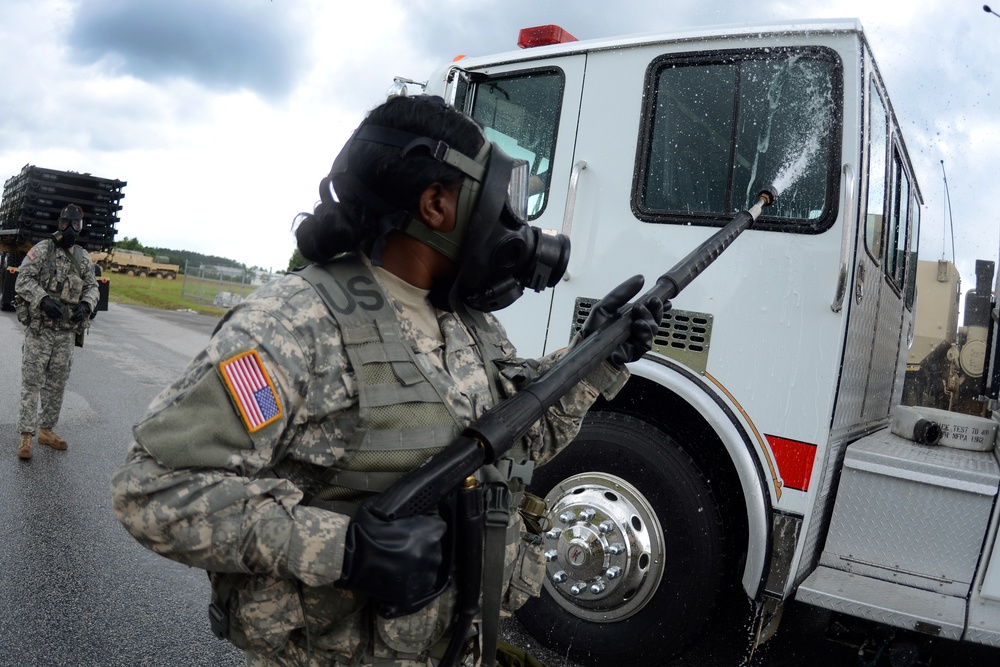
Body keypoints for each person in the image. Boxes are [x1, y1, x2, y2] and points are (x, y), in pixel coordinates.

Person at [110, 95, 663, 667]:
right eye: (500, 196)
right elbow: (152, 489)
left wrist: (595, 358)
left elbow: (514, 444)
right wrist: (345, 549)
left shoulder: (467, 322)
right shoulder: (294, 326)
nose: (513, 218)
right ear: (436, 203)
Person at [15, 203, 98, 460]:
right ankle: (26, 436)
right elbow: (22, 280)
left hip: (65, 333)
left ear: (81, 227)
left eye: (76, 225)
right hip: (40, 331)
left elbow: (92, 287)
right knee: (32, 382)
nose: (70, 229)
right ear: (59, 224)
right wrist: (42, 299)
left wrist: (86, 305)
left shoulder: (83, 258)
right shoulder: (42, 250)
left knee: (57, 385)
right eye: (65, 224)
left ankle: (46, 431)